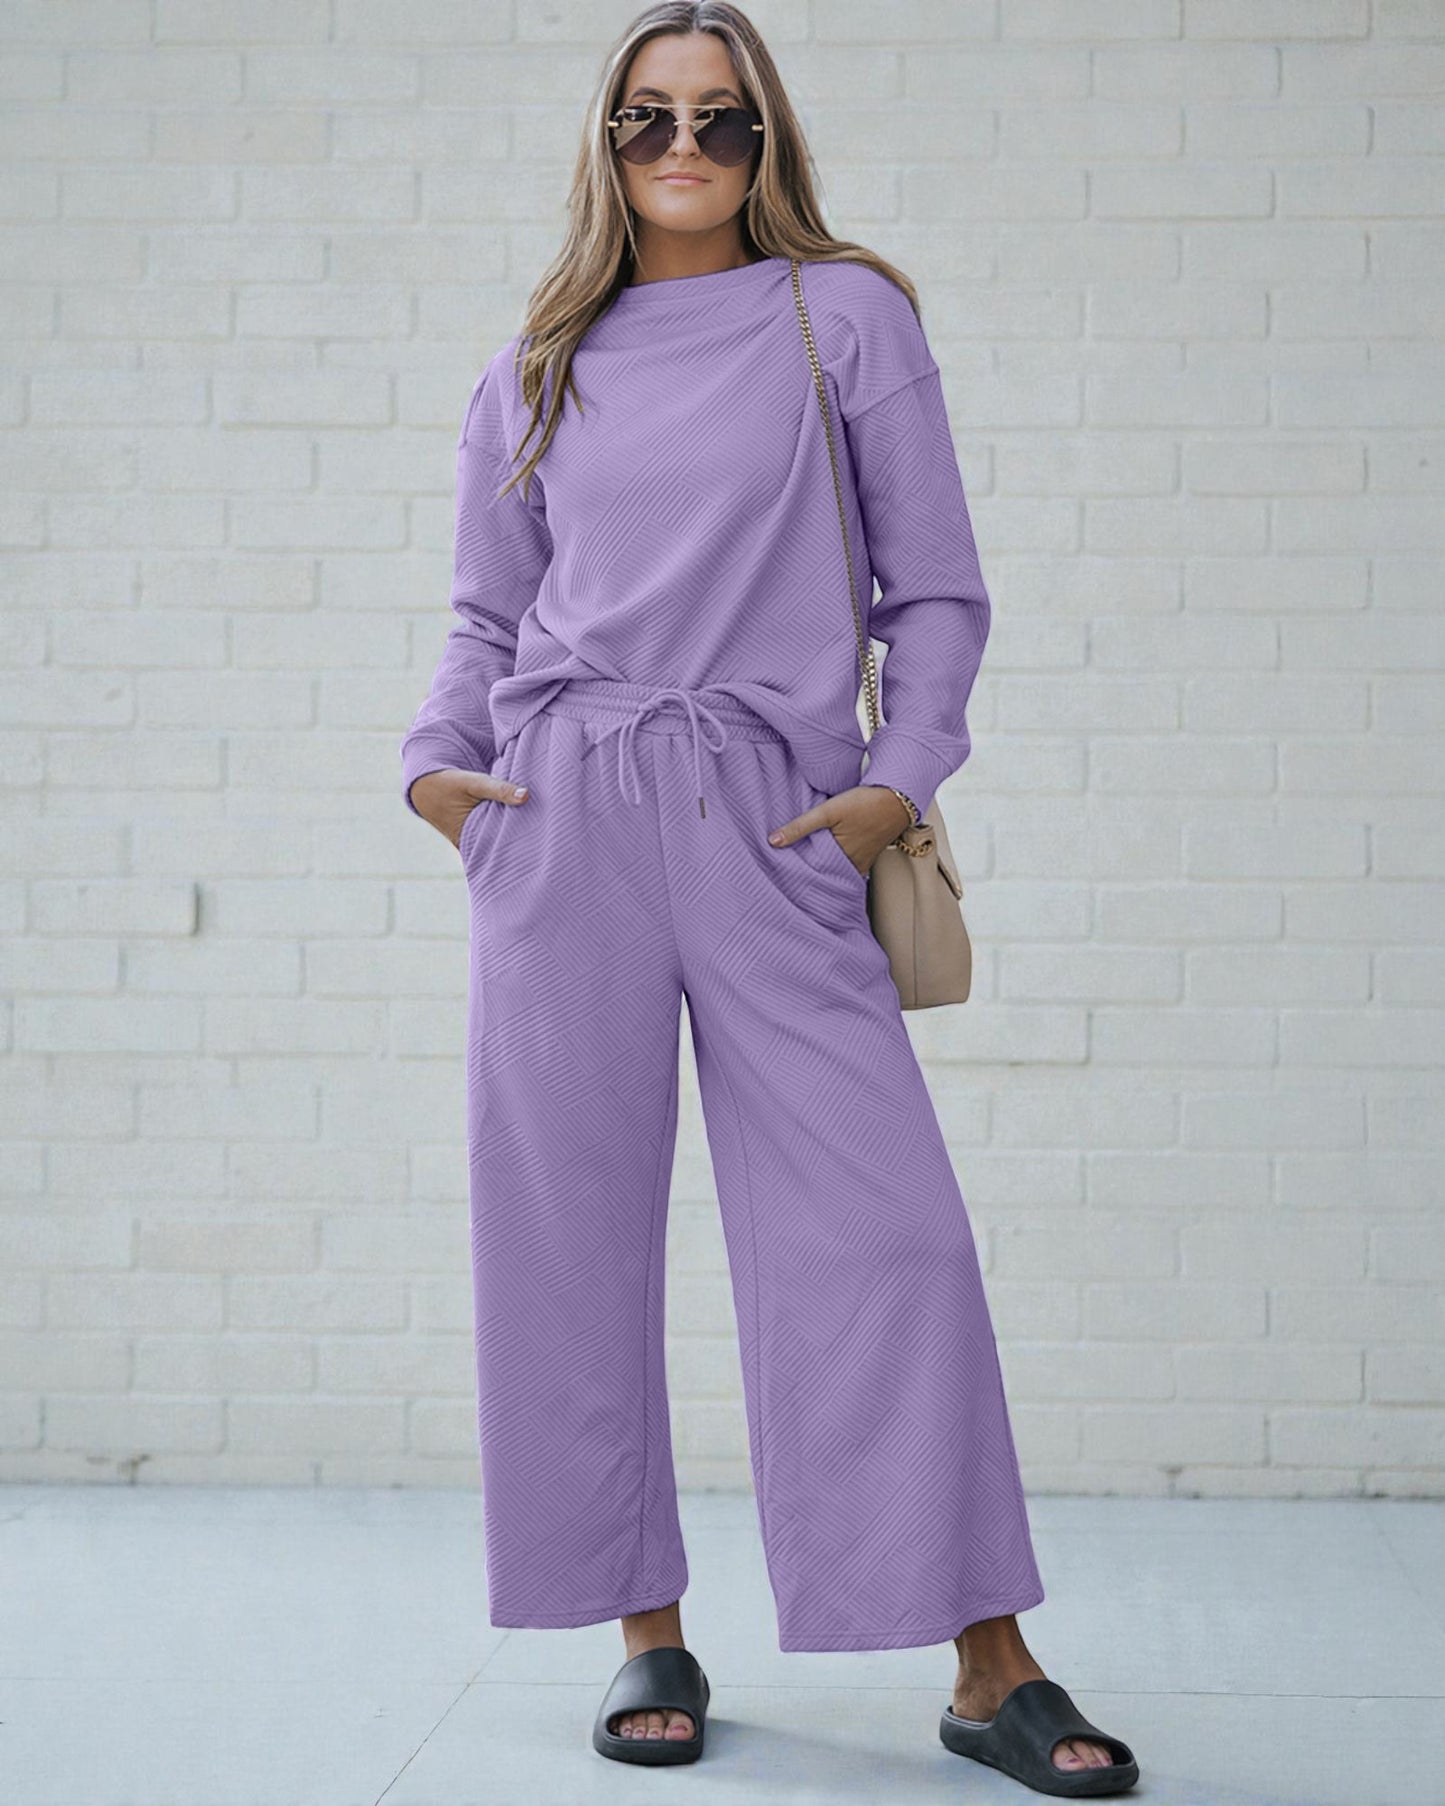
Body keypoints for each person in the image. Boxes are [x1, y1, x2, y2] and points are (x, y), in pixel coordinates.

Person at [400, 4, 1139, 1795]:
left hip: (773, 815)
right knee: (565, 1232)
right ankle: (643, 1625)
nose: (683, 145)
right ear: (604, 136)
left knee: (884, 1234)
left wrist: (900, 775)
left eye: (720, 120)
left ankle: (988, 1659)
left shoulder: (844, 317)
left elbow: (935, 588)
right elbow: (487, 614)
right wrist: (440, 770)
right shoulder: (540, 361)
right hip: (560, 808)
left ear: (764, 142)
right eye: (648, 115)